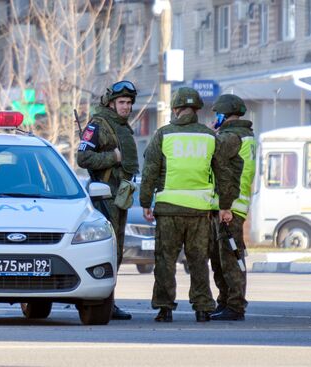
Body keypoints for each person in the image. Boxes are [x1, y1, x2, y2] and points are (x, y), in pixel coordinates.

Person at [140, 87, 221, 323]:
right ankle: (203, 308)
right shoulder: (209, 136)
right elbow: (222, 173)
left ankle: (165, 309)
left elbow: (150, 172)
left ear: (175, 109)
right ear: (196, 109)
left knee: (165, 261)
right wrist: (222, 204)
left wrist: (146, 201)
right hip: (199, 211)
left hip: (168, 210)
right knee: (198, 260)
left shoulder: (163, 135)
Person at [77, 80, 139, 320]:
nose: (126, 107)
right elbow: (83, 157)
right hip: (104, 196)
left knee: (118, 252)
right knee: (108, 251)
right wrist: (112, 157)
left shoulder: (122, 126)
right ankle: (103, 303)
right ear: (111, 103)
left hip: (120, 195)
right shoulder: (98, 124)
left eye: (129, 103)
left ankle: (109, 302)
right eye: (122, 102)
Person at [208, 94, 256, 321]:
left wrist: (224, 206)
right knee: (226, 257)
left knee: (230, 259)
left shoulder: (231, 137)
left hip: (230, 206)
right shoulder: (245, 135)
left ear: (223, 115)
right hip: (237, 204)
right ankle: (226, 302)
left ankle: (235, 306)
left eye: (216, 114)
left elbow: (223, 170)